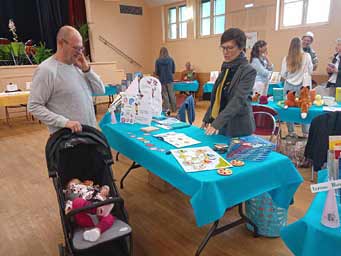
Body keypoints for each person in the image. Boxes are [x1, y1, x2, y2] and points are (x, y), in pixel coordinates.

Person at [28, 26, 105, 134]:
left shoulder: (78, 66)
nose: (79, 52)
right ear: (61, 43)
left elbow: (100, 91)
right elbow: (34, 106)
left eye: (81, 48)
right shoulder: (46, 70)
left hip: (89, 134)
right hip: (67, 139)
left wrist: (87, 69)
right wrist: (65, 122)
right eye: (76, 48)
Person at [202, 28, 256, 137]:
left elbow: (237, 100)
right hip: (223, 122)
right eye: (223, 48)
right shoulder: (226, 67)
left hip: (238, 126)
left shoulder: (248, 70)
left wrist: (217, 123)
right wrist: (208, 118)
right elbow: (218, 97)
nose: (225, 52)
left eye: (230, 48)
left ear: (241, 48)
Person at [281, 37, 313, 138]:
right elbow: (310, 70)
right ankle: (305, 133)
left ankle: (291, 132)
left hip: (289, 86)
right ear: (301, 45)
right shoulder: (307, 56)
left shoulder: (286, 58)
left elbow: (283, 74)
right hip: (302, 86)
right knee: (303, 107)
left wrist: (291, 78)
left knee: (288, 108)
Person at [155, 47, 176, 114]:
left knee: (165, 95)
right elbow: (173, 70)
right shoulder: (171, 60)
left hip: (162, 80)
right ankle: (174, 109)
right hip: (170, 79)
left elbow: (157, 72)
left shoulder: (158, 61)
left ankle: (167, 109)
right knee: (172, 94)